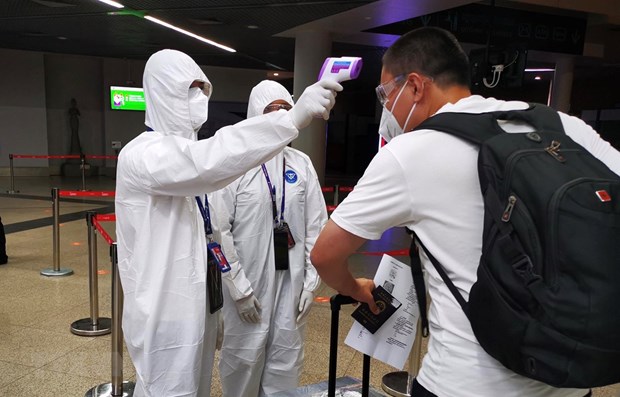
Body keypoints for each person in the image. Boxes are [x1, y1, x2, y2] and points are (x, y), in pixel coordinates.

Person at [310, 27, 620, 397]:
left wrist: (356, 287)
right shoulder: (563, 126)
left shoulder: (410, 153)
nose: (386, 107)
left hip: (464, 383)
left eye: (385, 93)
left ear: (414, 86)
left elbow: (326, 254)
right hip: (568, 382)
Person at [115, 49, 342, 397]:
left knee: (199, 387)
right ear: (162, 91)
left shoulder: (187, 155)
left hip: (199, 303)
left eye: (202, 88)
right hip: (164, 311)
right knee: (171, 390)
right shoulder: (144, 153)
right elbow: (206, 162)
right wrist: (292, 118)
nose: (198, 98)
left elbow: (213, 230)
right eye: (188, 89)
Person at [211, 80, 327, 396]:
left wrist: (311, 284)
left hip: (292, 285)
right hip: (248, 290)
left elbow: (317, 226)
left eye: (285, 110)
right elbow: (220, 233)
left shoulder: (301, 165)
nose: (279, 117)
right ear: (254, 114)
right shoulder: (236, 164)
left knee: (286, 363)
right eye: (270, 110)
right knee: (242, 362)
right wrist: (238, 290)